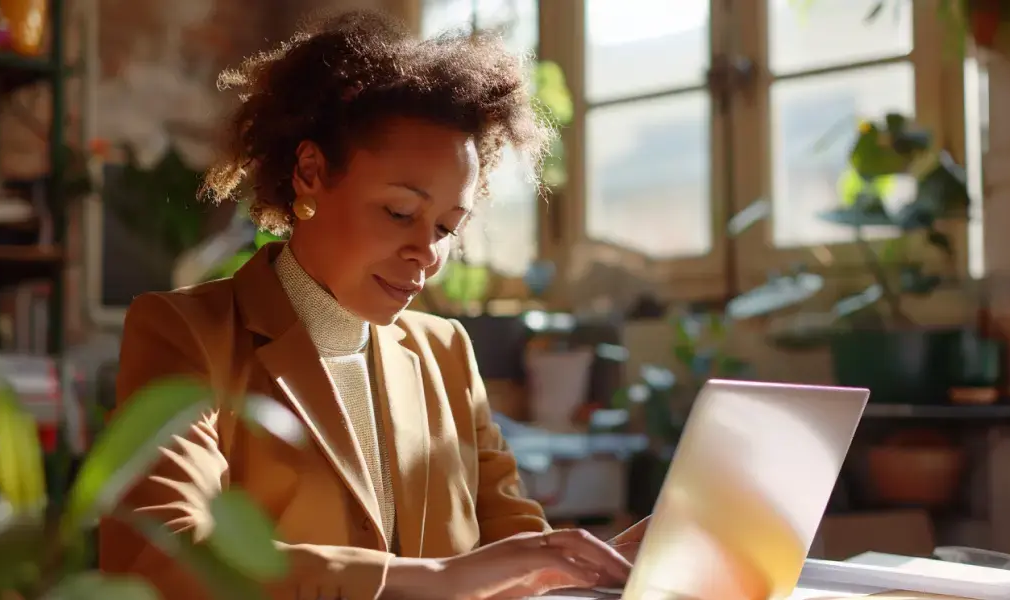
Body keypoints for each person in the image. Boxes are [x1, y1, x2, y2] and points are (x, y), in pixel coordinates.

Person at [98, 9, 651, 600]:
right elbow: (158, 557)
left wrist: (601, 569)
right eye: (399, 212)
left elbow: (515, 560)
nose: (427, 253)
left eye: (445, 227)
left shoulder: (446, 353)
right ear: (310, 172)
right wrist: (435, 578)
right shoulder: (187, 333)